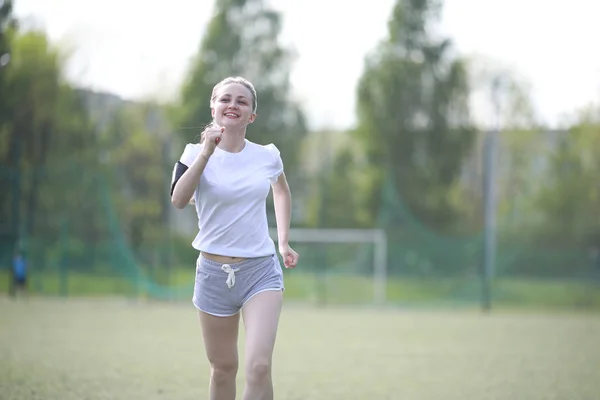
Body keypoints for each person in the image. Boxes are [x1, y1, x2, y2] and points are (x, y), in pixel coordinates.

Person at [170, 76, 299, 400]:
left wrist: (282, 241)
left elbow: (281, 189)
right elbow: (178, 199)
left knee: (259, 367)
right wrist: (206, 153)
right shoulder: (191, 153)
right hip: (213, 274)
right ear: (213, 107)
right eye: (225, 99)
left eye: (242, 101)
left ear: (251, 115)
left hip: (260, 271)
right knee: (223, 368)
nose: (233, 105)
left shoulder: (267, 155)